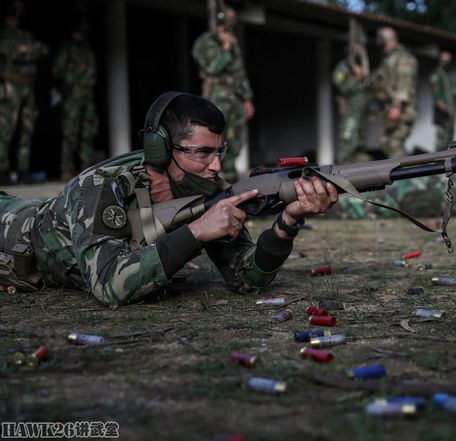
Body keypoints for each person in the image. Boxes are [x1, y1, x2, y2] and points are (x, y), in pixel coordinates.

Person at [0, 92, 338, 307]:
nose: (217, 165)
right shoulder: (103, 186)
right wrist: (197, 232)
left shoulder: (203, 187)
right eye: (203, 152)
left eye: (219, 151)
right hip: (13, 231)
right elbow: (108, 285)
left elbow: (244, 277)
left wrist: (286, 224)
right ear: (160, 148)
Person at [192, 6, 254, 181]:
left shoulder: (233, 41)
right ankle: (210, 179)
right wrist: (225, 49)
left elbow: (239, 72)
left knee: (236, 142)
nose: (231, 23)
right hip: (216, 98)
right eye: (229, 19)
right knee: (214, 140)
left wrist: (247, 98)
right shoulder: (205, 42)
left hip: (235, 99)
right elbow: (212, 68)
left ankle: (230, 178)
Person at [0, 0, 48, 184]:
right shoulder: (4, 36)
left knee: (28, 129)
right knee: (5, 129)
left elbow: (42, 50)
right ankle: (2, 170)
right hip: (10, 86)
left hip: (27, 87)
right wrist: (26, 52)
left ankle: (22, 170)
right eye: (13, 13)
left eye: (18, 13)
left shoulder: (25, 36)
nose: (15, 17)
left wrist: (29, 50)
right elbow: (10, 52)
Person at [52, 17, 98, 182]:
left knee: (88, 133)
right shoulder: (67, 49)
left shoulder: (87, 49)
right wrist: (71, 75)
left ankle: (86, 168)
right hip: (72, 96)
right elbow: (57, 70)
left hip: (87, 95)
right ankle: (66, 169)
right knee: (70, 133)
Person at [371, 27, 418, 158]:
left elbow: (405, 84)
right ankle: (405, 173)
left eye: (379, 38)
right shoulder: (388, 58)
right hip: (388, 108)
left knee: (395, 144)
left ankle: (407, 175)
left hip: (402, 110)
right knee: (386, 143)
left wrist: (397, 107)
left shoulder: (402, 57)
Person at [332, 42, 370, 163]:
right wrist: (355, 79)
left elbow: (367, 88)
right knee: (348, 140)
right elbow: (339, 85)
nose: (359, 54)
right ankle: (342, 167)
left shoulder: (361, 67)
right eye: (356, 52)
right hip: (350, 110)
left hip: (361, 110)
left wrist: (371, 111)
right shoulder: (343, 67)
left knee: (361, 141)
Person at [430, 50, 455, 151]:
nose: (447, 62)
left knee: (448, 136)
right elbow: (435, 90)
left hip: (448, 109)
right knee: (441, 136)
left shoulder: (445, 74)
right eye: (445, 59)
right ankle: (438, 158)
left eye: (448, 60)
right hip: (442, 110)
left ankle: (445, 157)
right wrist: (441, 104)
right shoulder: (437, 74)